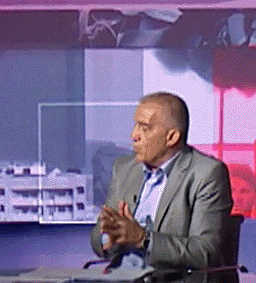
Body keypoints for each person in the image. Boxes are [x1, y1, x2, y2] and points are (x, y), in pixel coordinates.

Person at [90, 92, 233, 271]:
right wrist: (109, 237)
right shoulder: (124, 169)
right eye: (135, 125)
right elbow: (97, 236)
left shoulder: (206, 174)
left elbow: (206, 252)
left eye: (144, 128)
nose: (134, 135)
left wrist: (143, 239)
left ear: (171, 137)